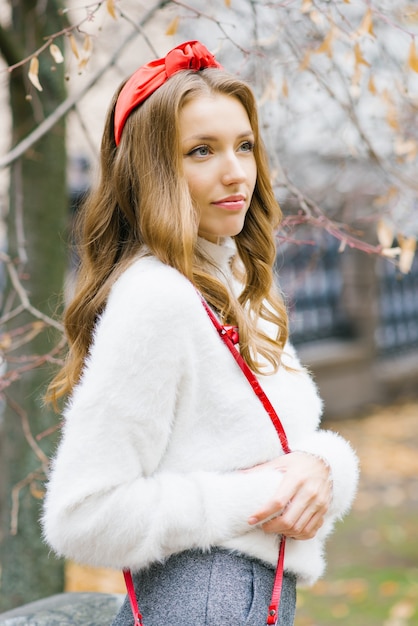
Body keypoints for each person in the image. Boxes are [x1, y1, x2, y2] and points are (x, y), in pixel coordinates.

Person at [42, 40, 359, 626]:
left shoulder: (236, 279)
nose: (236, 171)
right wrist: (251, 499)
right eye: (200, 151)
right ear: (154, 169)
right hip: (203, 602)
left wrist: (325, 466)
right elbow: (81, 514)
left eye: (244, 146)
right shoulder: (157, 298)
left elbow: (276, 446)